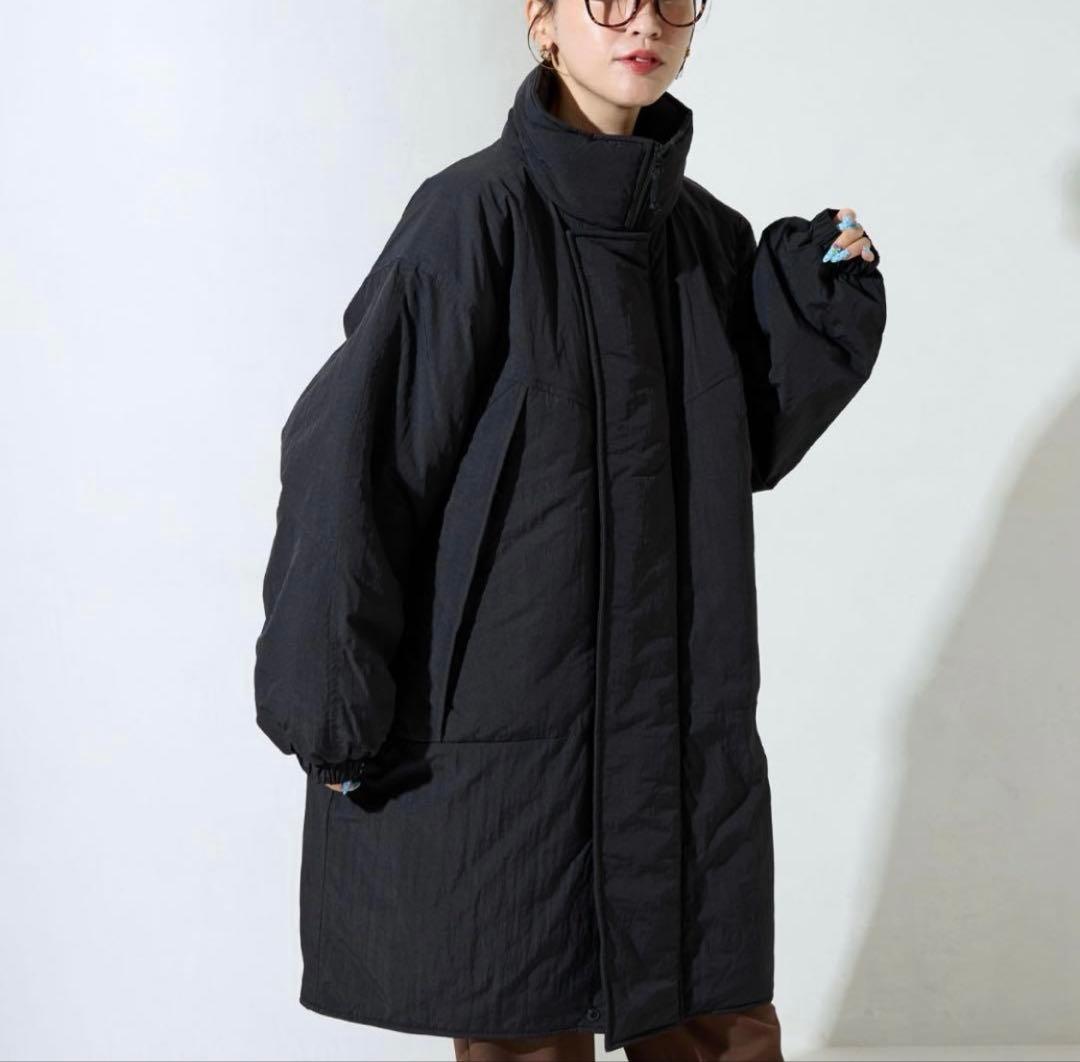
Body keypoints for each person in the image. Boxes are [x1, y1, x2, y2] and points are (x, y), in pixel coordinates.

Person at [253, 0, 886, 1059]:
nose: (642, 21)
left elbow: (743, 446)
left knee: (719, 1023)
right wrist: (329, 702)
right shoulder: (472, 217)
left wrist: (817, 311)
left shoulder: (704, 237)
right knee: (527, 1024)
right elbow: (356, 462)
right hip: (514, 749)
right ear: (542, 21)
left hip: (679, 741)